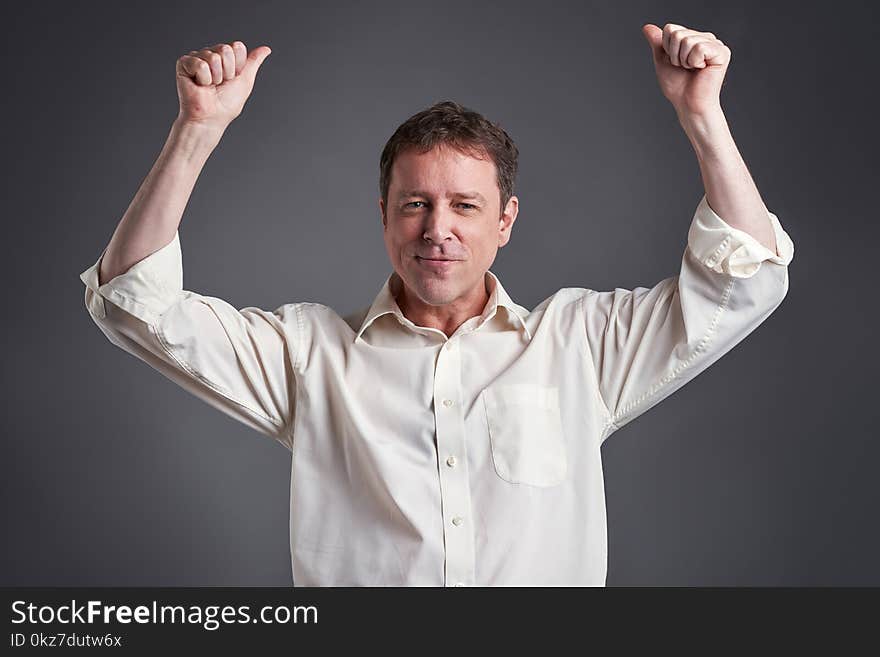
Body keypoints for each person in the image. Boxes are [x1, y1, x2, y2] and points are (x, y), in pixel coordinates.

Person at [79, 23, 795, 586]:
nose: (437, 229)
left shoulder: (581, 342)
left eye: (465, 205)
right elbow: (133, 302)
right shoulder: (309, 355)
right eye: (415, 203)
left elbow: (744, 280)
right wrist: (197, 128)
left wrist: (703, 116)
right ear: (385, 215)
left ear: (506, 221)